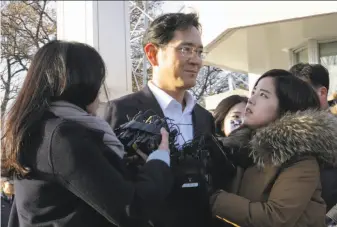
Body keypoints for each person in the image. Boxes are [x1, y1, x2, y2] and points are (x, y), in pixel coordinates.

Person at [1, 40, 173, 227]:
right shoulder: (63, 138)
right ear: (82, 86)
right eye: (98, 85)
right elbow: (131, 208)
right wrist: (159, 160)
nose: (100, 96)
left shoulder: (35, 129)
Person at [105, 13, 215, 227]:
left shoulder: (205, 118)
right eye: (185, 49)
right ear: (152, 54)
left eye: (199, 52)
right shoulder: (118, 113)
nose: (196, 60)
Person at [210, 69, 337, 227]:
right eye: (254, 92)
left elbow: (276, 218)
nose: (251, 100)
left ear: (286, 109)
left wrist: (215, 199)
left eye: (263, 95)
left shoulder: (301, 160)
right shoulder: (242, 150)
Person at [290, 63, 337, 211]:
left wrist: (331, 220)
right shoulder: (285, 134)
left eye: (301, 91)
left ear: (322, 93)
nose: (294, 99)